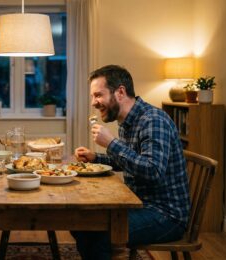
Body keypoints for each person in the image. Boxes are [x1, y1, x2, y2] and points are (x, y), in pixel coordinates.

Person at [71, 65, 190, 260]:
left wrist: (111, 143)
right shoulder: (127, 122)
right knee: (82, 224)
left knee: (99, 234)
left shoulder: (153, 120)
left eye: (98, 95)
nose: (93, 102)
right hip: (137, 203)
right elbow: (131, 161)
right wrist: (96, 157)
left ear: (120, 92)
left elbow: (152, 170)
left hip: (165, 215)